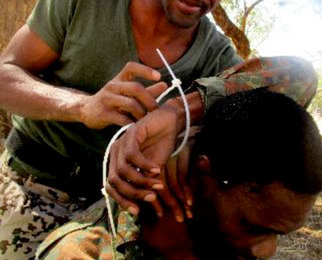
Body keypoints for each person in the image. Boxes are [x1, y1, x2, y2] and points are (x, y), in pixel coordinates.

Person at [0, 0, 317, 259]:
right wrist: (83, 107)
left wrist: (177, 113)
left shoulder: (218, 61)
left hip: (115, 212)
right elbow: (6, 77)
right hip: (30, 184)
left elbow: (296, 77)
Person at [35, 89, 322, 260]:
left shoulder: (231, 241)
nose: (267, 251)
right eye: (253, 227)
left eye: (280, 234)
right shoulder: (84, 252)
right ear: (203, 175)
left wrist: (180, 114)